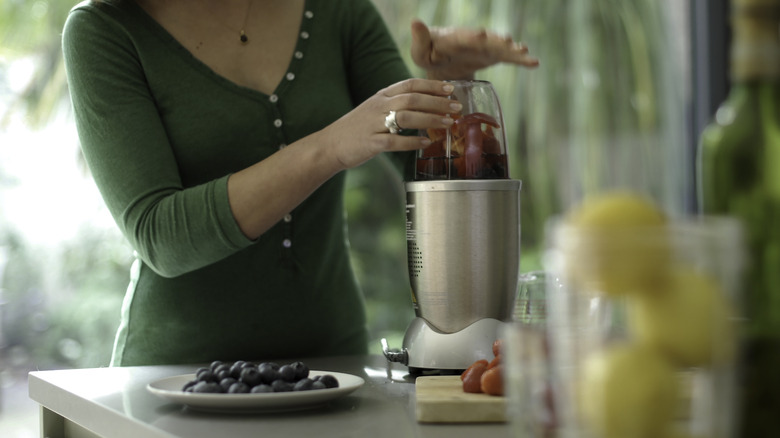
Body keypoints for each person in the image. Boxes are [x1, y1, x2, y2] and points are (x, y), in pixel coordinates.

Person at [61, 0, 539, 366]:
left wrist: (449, 93)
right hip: (174, 382)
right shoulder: (103, 29)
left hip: (337, 367)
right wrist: (328, 147)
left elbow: (425, 175)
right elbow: (160, 235)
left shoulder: (337, 11)